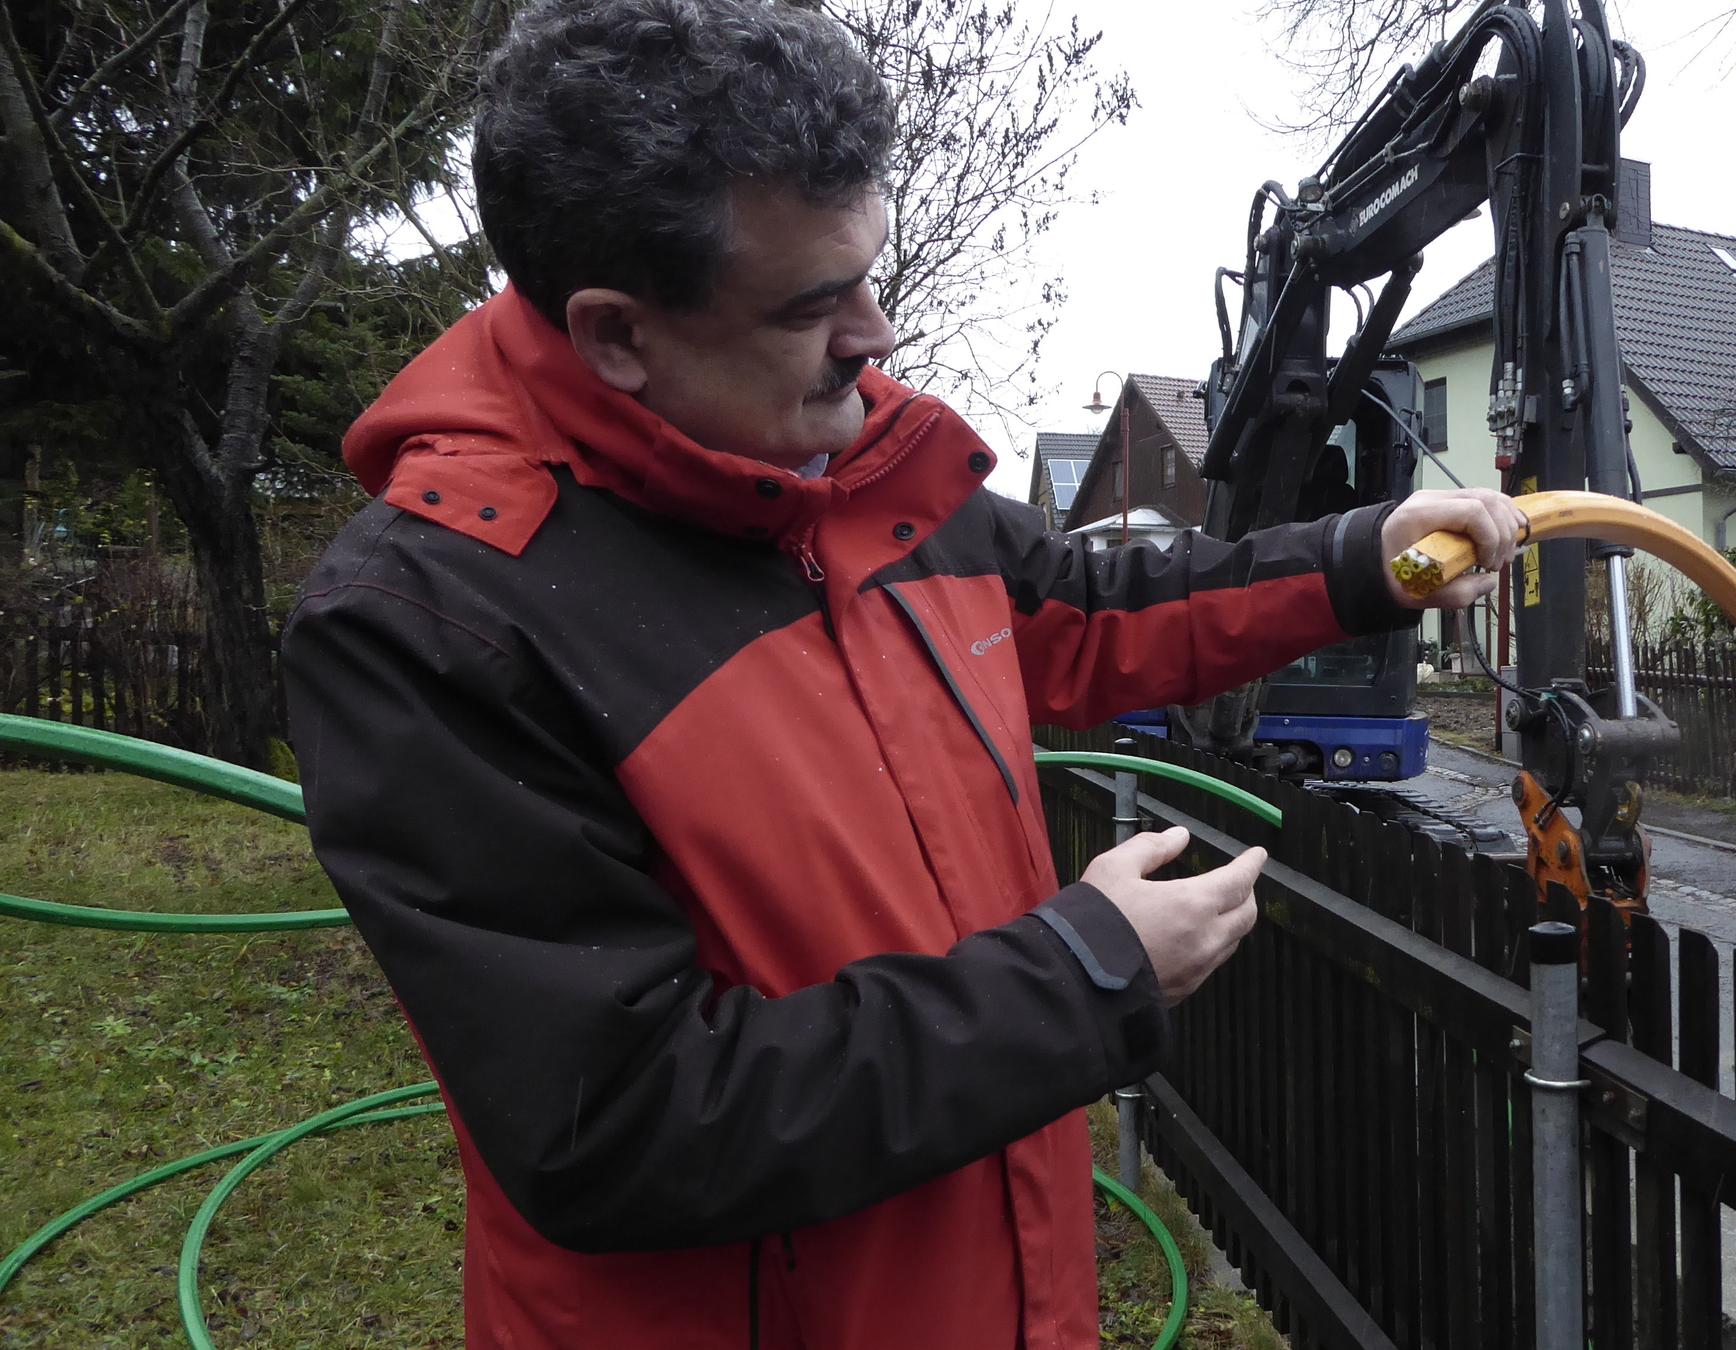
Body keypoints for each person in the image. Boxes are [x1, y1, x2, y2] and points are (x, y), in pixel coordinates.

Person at [281, 2, 1521, 1346]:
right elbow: (618, 1118)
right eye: (816, 304)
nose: (878, 333)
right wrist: (1082, 975)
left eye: (869, 272)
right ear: (619, 334)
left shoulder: (867, 470)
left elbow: (1092, 611)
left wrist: (1356, 563)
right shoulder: (439, 620)